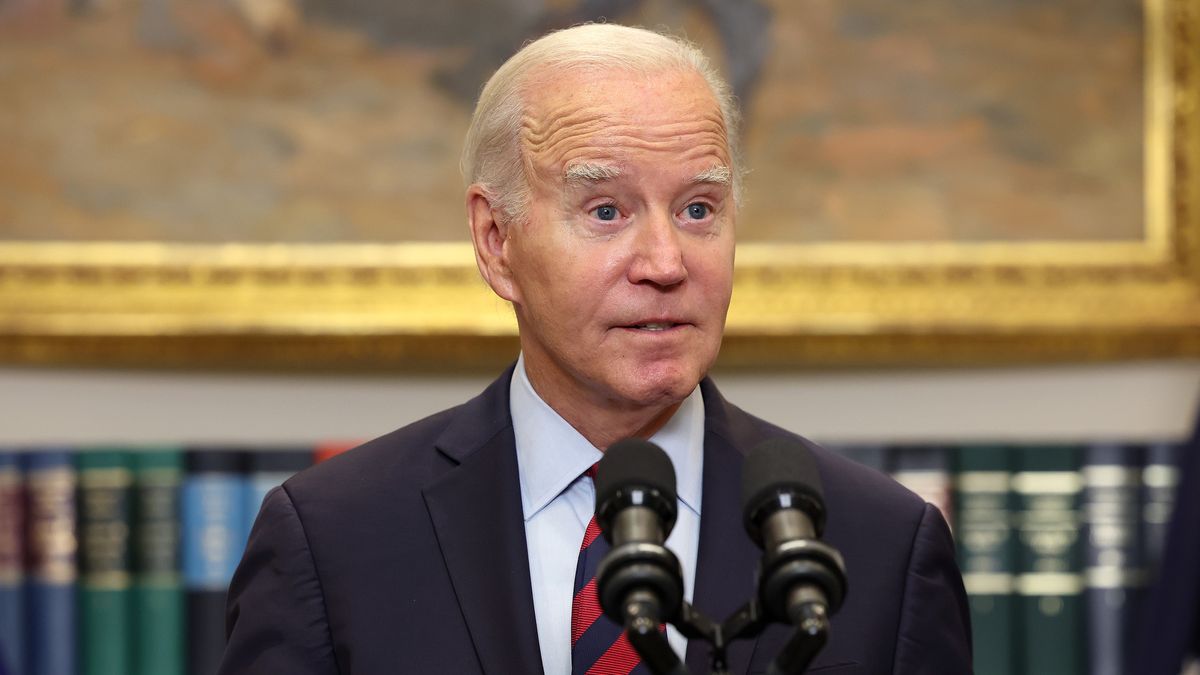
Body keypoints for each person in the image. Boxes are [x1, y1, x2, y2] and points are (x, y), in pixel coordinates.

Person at [219, 23, 972, 675]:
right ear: (496, 240)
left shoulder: (882, 543)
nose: (666, 261)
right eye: (606, 210)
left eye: (699, 208)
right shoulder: (334, 536)